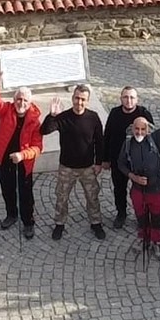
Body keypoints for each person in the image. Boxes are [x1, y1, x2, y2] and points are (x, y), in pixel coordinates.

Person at [41, 84, 105, 241]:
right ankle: (59, 224)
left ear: (87, 101)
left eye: (83, 99)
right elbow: (44, 131)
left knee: (92, 197)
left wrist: (98, 163)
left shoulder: (93, 118)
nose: (79, 102)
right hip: (67, 167)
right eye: (77, 98)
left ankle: (96, 222)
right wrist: (52, 115)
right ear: (72, 98)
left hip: (87, 167)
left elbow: (99, 141)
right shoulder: (63, 117)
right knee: (61, 197)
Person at [118, 87, 160, 258]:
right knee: (141, 215)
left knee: (157, 216)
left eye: (143, 129)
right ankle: (143, 237)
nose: (139, 132)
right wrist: (132, 176)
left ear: (148, 129)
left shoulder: (155, 139)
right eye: (137, 129)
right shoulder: (127, 144)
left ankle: (157, 240)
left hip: (156, 188)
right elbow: (120, 163)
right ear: (132, 129)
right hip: (138, 189)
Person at [0, 69, 43, 239]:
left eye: (25, 100)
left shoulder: (35, 121)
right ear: (14, 100)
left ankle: (28, 222)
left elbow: (37, 148)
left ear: (30, 102)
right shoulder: (6, 110)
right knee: (7, 189)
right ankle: (11, 214)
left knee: (25, 194)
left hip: (23, 163)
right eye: (19, 99)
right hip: (4, 159)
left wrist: (22, 155)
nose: (21, 103)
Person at [103, 86, 154, 229]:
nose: (129, 100)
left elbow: (152, 138)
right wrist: (105, 158)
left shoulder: (143, 114)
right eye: (125, 97)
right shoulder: (114, 113)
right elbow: (107, 136)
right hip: (119, 160)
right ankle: (121, 214)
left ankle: (142, 216)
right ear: (121, 99)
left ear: (137, 99)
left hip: (139, 161)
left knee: (140, 191)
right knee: (119, 189)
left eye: (132, 97)